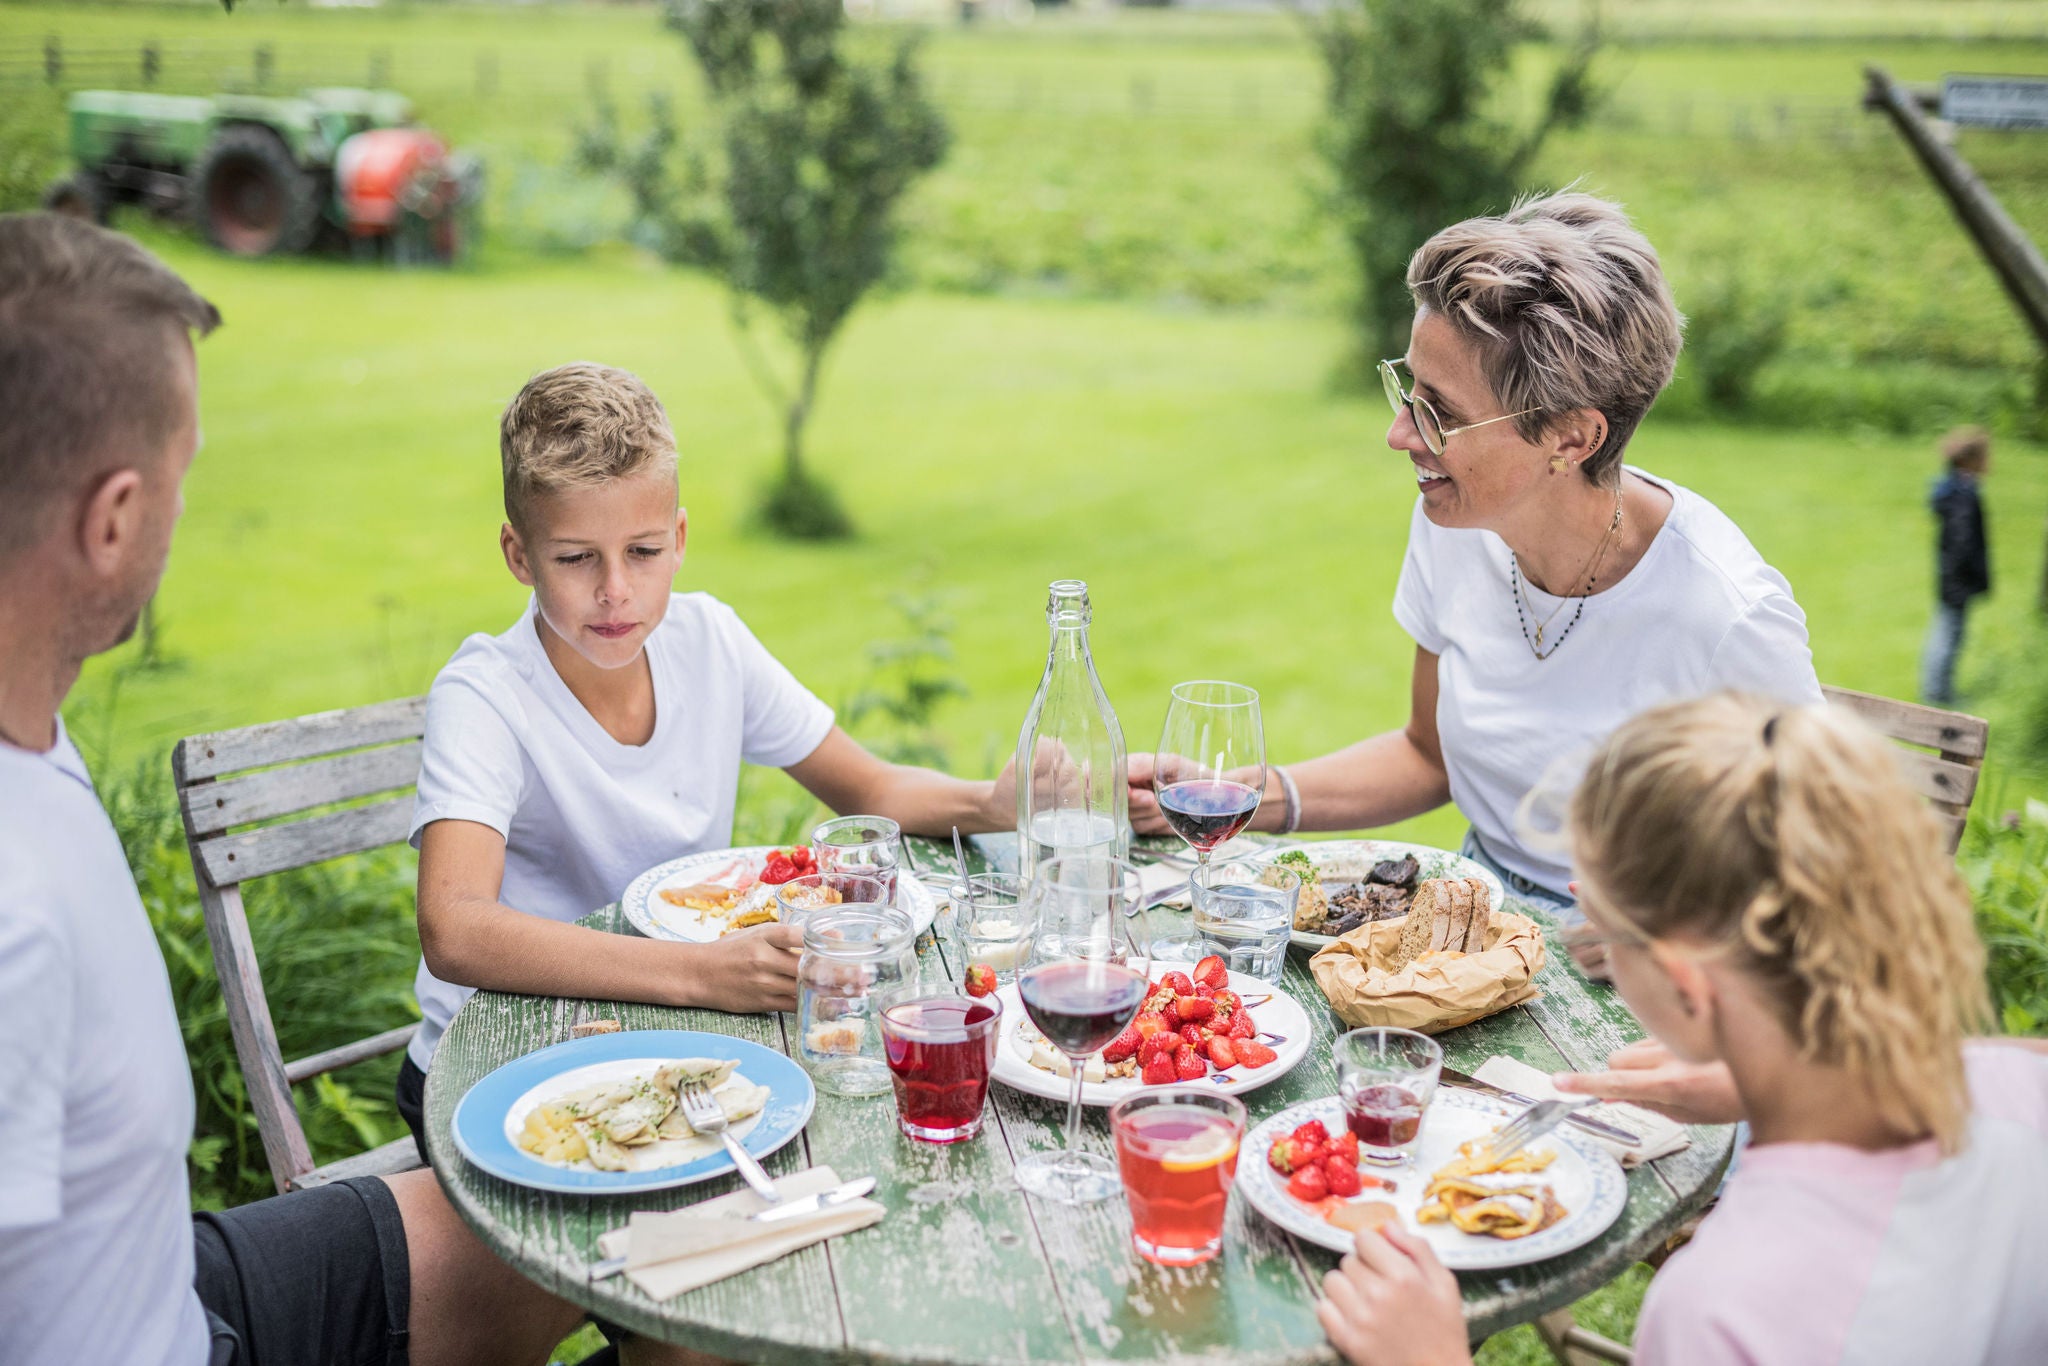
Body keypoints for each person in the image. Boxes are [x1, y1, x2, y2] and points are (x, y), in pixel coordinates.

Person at [0, 213, 650, 1365]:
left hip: (181, 1279)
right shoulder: (15, 909)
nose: (186, 508)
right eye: (181, 475)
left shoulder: (34, 739)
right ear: (112, 519)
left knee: (660, 1242)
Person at [1130, 193, 1821, 924]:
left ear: (1572, 438)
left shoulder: (1728, 616)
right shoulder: (1454, 522)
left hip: (1649, 970)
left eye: (1441, 413)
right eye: (1408, 391)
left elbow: (1825, 879)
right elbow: (1428, 754)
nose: (1400, 435)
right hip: (1469, 914)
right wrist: (1234, 796)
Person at [1316, 692, 2048, 1366]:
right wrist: (1757, 1079)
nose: (1576, 907)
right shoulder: (2023, 1086)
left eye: (1599, 916)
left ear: (1687, 985)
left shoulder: (1721, 1308)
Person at [395, 362, 1015, 1153]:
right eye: (577, 559)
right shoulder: (486, 695)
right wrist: (703, 974)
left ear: (680, 539)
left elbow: (871, 787)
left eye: (644, 551)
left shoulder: (709, 641)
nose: (616, 591)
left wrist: (1002, 801)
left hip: (665, 1042)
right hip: (496, 1065)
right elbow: (454, 929)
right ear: (519, 554)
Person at [1920, 425, 1991, 706]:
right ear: (1969, 460)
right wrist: (1967, 578)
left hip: (1952, 577)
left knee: (1946, 630)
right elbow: (1963, 542)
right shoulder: (1963, 494)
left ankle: (1938, 688)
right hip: (1957, 580)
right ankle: (1938, 692)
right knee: (1949, 633)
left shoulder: (1957, 489)